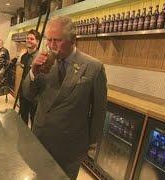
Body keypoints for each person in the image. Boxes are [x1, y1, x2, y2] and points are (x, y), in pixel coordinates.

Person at [22, 16, 107, 179]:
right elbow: (28, 94)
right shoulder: (43, 61)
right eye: (49, 40)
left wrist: (89, 144)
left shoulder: (93, 67)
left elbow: (99, 112)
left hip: (70, 147)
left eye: (57, 40)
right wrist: (33, 72)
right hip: (41, 138)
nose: (51, 46)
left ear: (73, 40)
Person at [19, 29, 40, 127]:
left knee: (34, 119)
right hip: (23, 93)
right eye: (27, 38)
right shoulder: (23, 57)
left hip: (35, 95)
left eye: (32, 39)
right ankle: (23, 140)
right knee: (23, 118)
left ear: (37, 41)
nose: (29, 40)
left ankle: (33, 141)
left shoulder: (40, 58)